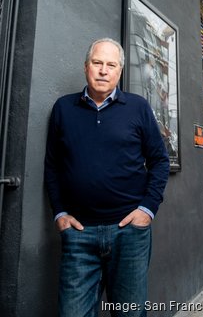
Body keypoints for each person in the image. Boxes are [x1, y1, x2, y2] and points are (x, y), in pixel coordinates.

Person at [44, 37, 170, 317]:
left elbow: (160, 161)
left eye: (111, 65)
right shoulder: (64, 108)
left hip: (129, 234)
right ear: (86, 67)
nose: (103, 70)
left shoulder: (138, 108)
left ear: (119, 71)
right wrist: (59, 213)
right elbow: (52, 166)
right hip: (78, 234)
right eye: (97, 63)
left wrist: (147, 210)